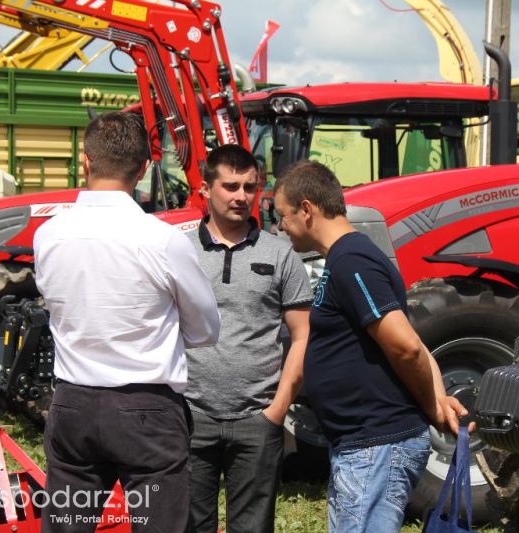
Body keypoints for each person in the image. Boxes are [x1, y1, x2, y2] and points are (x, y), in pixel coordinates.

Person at [33, 111, 220, 533]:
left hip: (73, 402)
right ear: (145, 168)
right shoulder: (163, 239)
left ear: (85, 161)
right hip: (147, 410)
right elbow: (206, 331)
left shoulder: (48, 234)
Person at [273, 160, 470, 533]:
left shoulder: (351, 262)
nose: (281, 227)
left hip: (375, 446)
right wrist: (439, 396)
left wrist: (431, 406)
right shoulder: (345, 259)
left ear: (306, 210)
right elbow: (410, 339)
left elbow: (405, 347)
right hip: (364, 446)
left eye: (283, 216)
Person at [185, 145, 313, 533]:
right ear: (206, 188)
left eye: (250, 187)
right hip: (191, 416)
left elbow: (303, 335)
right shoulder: (180, 251)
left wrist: (276, 411)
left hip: (257, 418)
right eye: (230, 186)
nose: (241, 196)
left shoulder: (281, 254)